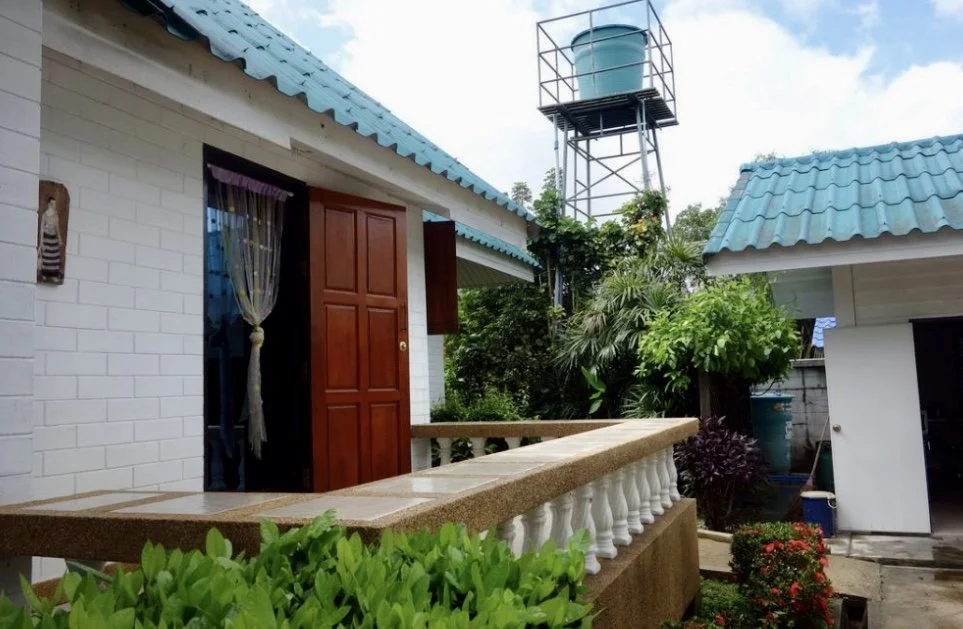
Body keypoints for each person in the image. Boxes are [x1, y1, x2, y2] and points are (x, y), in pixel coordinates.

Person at [38, 196, 63, 282]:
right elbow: (41, 229)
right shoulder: (44, 215)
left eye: (54, 204)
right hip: (46, 238)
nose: (54, 205)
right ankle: (44, 274)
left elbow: (57, 227)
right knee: (46, 257)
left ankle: (53, 275)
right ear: (49, 204)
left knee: (55, 257)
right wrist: (41, 242)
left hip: (53, 238)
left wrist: (59, 238)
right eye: (52, 204)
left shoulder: (55, 215)